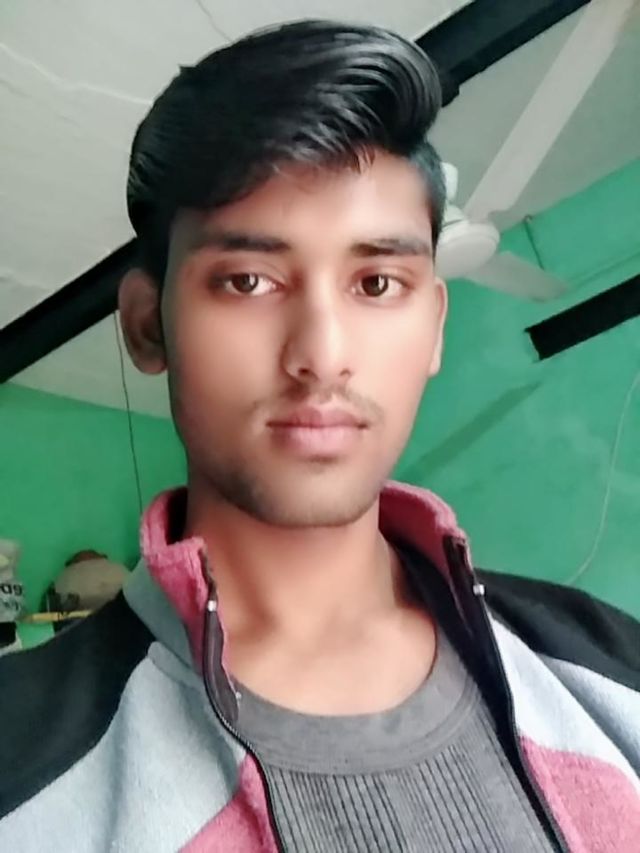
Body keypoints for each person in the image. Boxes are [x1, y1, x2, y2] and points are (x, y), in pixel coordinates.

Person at [0, 20, 638, 852]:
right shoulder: (20, 763)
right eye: (248, 280)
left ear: (435, 325)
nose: (322, 355)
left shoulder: (611, 667)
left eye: (377, 283)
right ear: (148, 325)